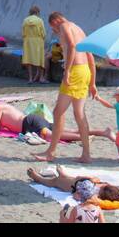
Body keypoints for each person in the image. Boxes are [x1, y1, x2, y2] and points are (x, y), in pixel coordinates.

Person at [42, 13, 96, 163]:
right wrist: (92, 82)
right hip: (84, 70)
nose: (55, 30)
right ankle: (86, 154)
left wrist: (68, 71)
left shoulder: (65, 26)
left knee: (58, 112)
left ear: (55, 21)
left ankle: (51, 152)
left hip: (76, 71)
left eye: (53, 27)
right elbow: (90, 56)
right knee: (79, 114)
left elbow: (72, 46)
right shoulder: (79, 28)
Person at [21, 5, 47, 84]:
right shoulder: (39, 20)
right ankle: (41, 77)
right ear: (37, 12)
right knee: (40, 59)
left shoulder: (25, 20)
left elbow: (23, 33)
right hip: (38, 41)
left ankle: (30, 78)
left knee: (29, 60)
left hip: (28, 41)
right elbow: (44, 33)